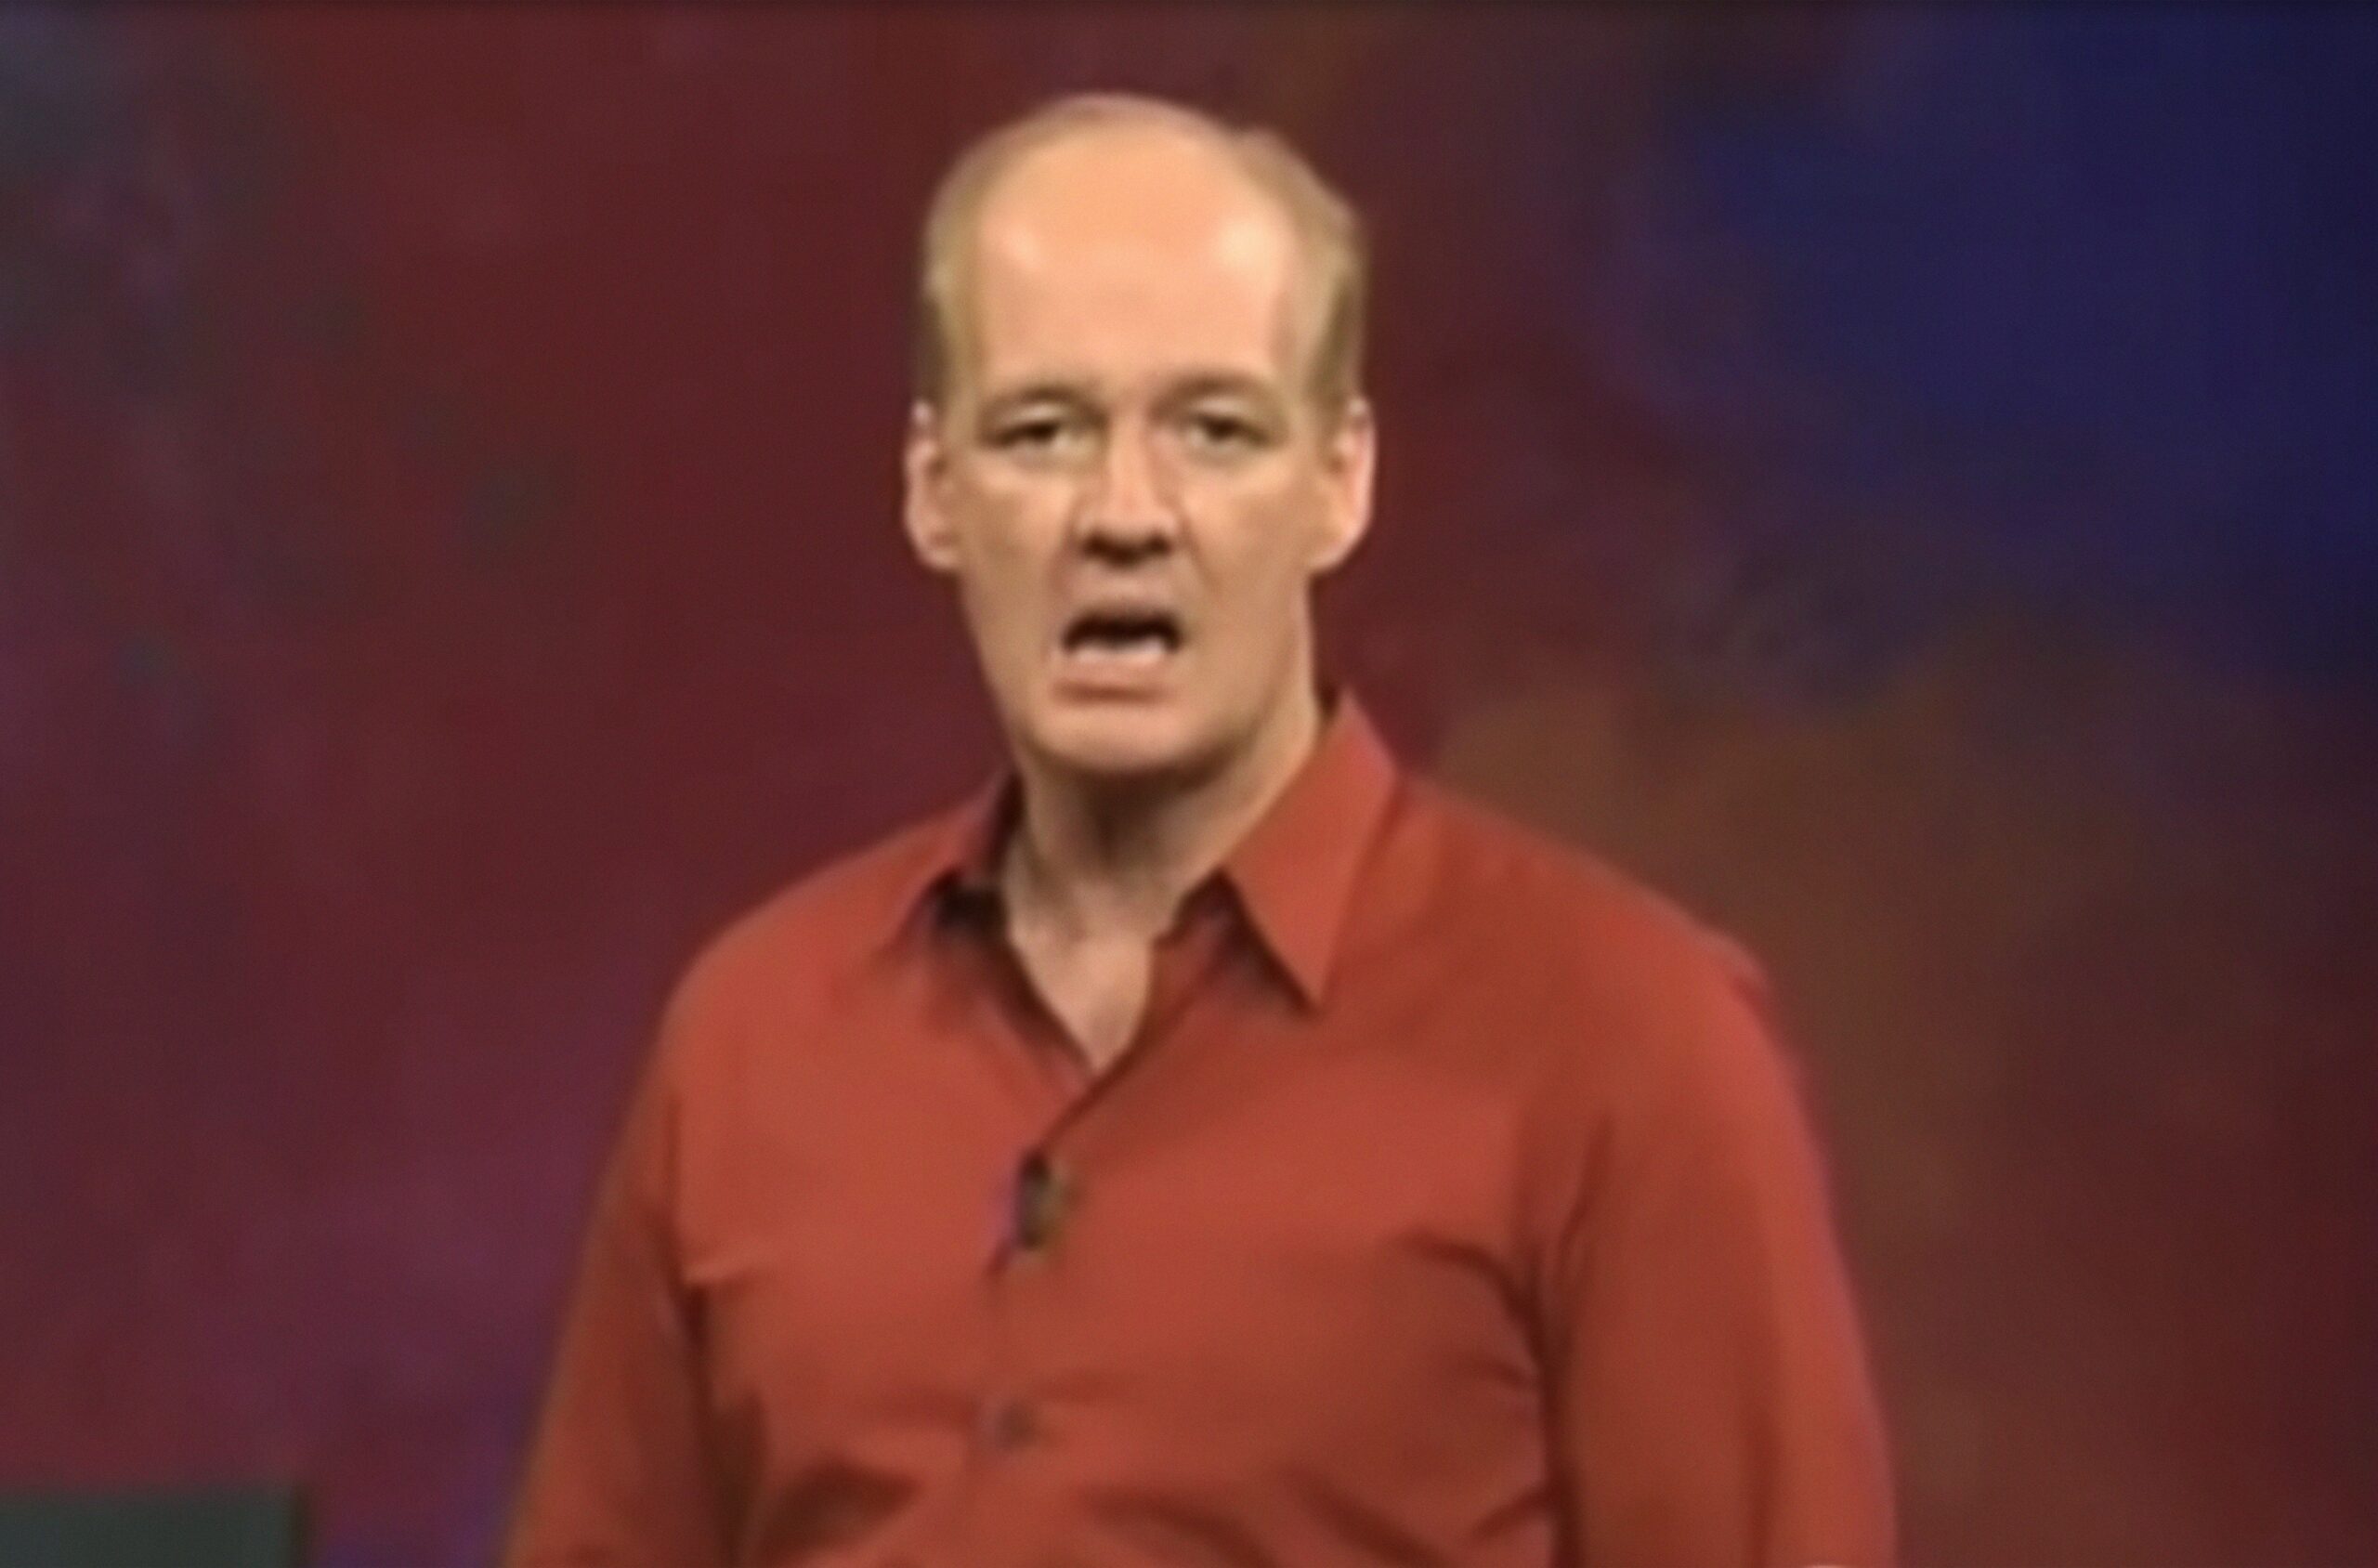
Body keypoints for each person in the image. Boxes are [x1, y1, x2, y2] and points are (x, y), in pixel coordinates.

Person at [500, 91, 1893, 1568]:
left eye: (1214, 432)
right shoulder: (752, 1037)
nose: (1124, 514)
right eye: (1042, 431)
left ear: (1339, 483)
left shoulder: (1627, 1040)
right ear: (933, 491)